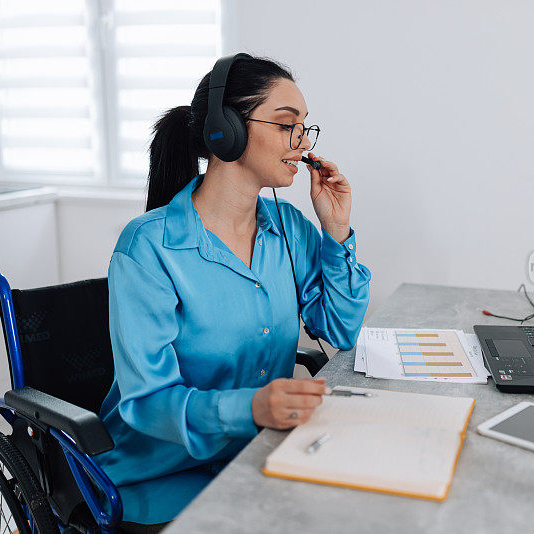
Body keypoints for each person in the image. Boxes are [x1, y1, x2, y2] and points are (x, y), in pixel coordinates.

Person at [94, 54, 371, 532]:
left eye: (305, 127)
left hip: (258, 454)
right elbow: (145, 402)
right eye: (287, 124)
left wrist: (337, 233)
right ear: (227, 130)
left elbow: (340, 330)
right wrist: (251, 408)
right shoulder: (149, 247)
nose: (301, 142)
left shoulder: (289, 227)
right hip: (163, 475)